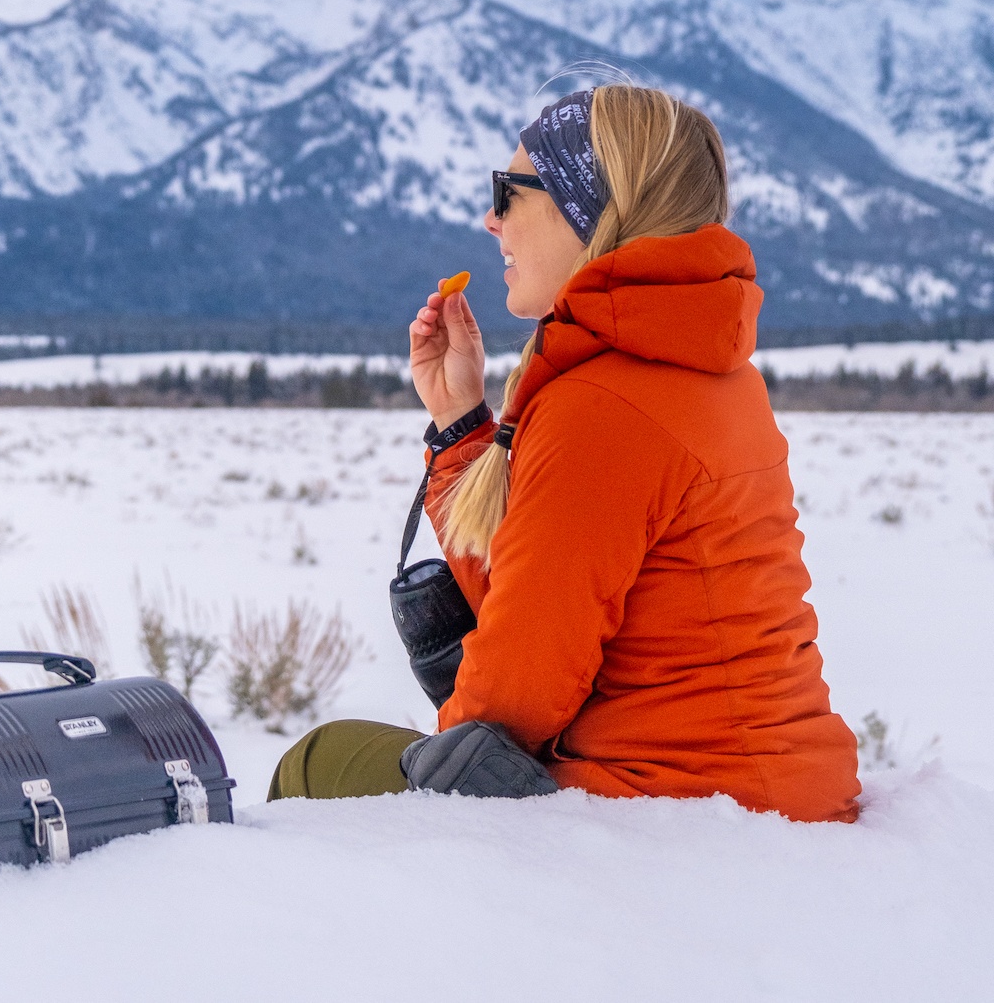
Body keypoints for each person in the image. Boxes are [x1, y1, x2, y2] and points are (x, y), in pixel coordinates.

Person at [269, 85, 860, 822]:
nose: (491, 219)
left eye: (509, 192)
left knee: (317, 759)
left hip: (685, 813)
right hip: (776, 794)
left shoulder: (603, 405)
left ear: (590, 206)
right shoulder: (709, 372)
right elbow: (542, 597)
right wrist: (460, 428)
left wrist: (431, 827)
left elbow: (513, 695)